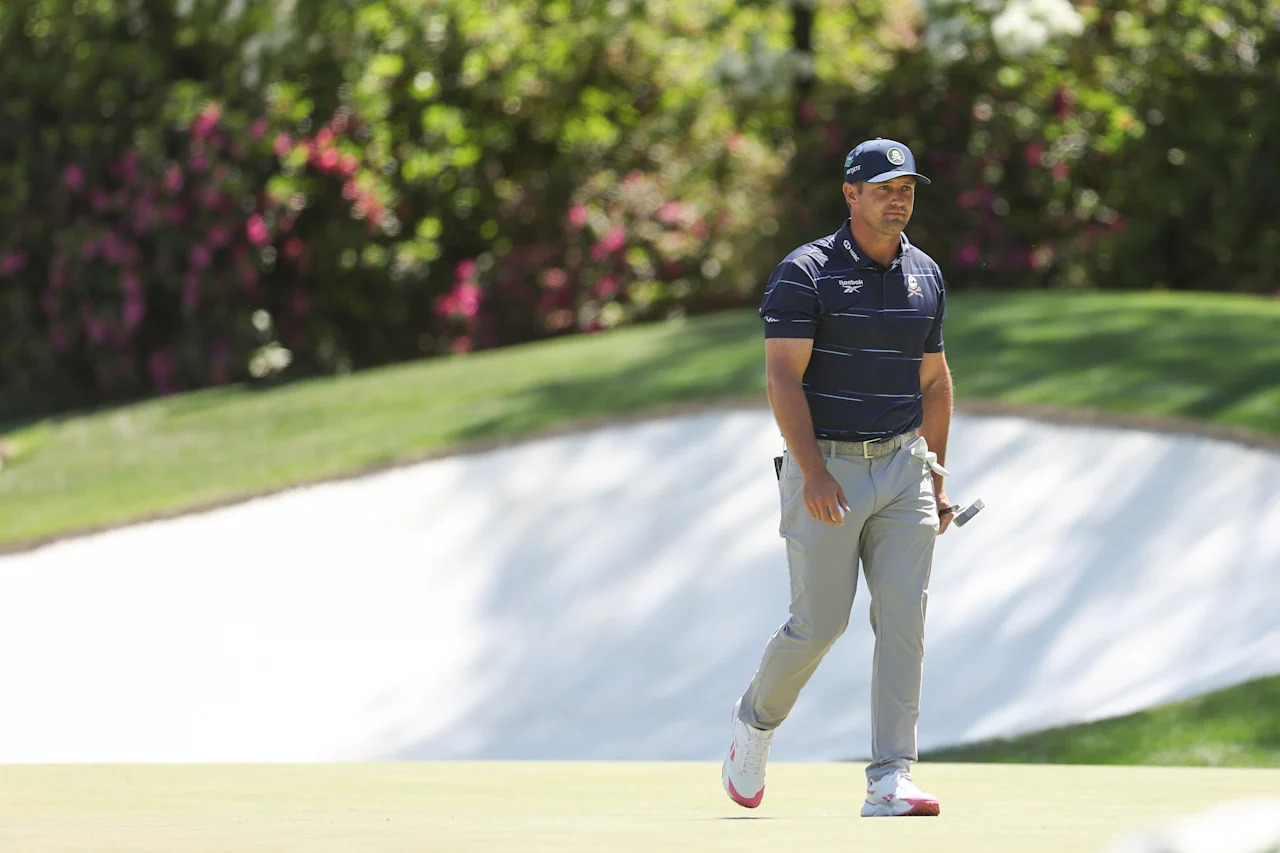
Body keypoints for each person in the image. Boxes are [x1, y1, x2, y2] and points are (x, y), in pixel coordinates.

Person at [722, 138, 954, 817]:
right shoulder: (807, 272)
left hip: (904, 468)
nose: (899, 196)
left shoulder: (926, 275)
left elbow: (935, 380)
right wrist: (816, 473)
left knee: (904, 618)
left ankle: (890, 775)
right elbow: (782, 377)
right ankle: (754, 722)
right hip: (827, 469)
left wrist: (937, 479)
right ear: (850, 193)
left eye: (907, 185)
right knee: (819, 623)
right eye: (884, 186)